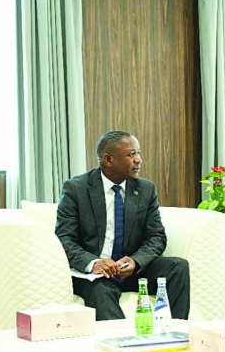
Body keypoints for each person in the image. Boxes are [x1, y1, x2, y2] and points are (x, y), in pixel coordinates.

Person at [55, 130, 190, 321]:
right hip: (97, 274)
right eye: (131, 154)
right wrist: (94, 263)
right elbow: (64, 239)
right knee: (100, 289)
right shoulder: (76, 189)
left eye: (139, 153)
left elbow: (157, 236)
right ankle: (121, 342)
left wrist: (136, 261)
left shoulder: (145, 189)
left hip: (132, 270)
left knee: (178, 267)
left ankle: (177, 333)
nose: (138, 160)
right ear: (108, 160)